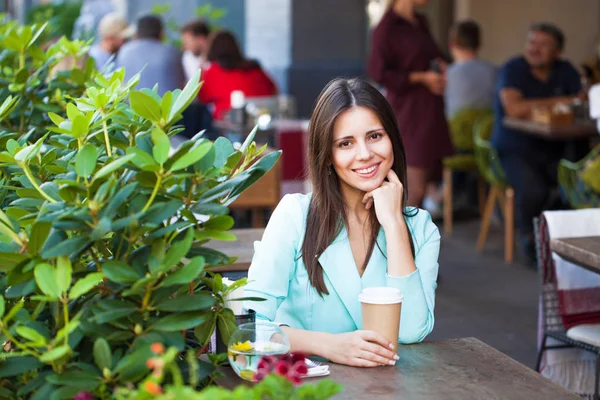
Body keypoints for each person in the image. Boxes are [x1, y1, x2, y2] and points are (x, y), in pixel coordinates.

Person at [244, 78, 440, 367]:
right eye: (346, 143)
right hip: (305, 387)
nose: (364, 154)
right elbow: (248, 327)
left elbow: (411, 332)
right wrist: (328, 345)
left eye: (375, 136)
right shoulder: (295, 216)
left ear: (393, 140)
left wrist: (395, 224)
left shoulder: (419, 227)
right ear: (327, 156)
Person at [492, 22, 587, 262]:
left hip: (556, 147)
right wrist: (562, 100)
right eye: (532, 42)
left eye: (544, 44)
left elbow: (582, 102)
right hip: (513, 148)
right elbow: (513, 108)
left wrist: (536, 104)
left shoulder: (565, 70)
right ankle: (530, 239)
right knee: (535, 189)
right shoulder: (513, 68)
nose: (535, 49)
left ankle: (563, 240)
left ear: (557, 51)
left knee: (578, 182)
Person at [368, 0, 453, 207]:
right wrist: (420, 78)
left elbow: (434, 55)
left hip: (430, 110)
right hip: (408, 112)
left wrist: (439, 68)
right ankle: (398, 237)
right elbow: (377, 72)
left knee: (422, 185)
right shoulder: (387, 27)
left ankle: (409, 237)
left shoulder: (420, 22)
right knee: (414, 189)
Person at [198, 30, 277, 120]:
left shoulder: (212, 71)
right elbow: (274, 90)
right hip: (262, 117)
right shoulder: (254, 68)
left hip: (227, 122)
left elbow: (203, 98)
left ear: (212, 48)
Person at [116, 15, 185, 95]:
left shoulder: (125, 51)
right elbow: (182, 85)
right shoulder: (172, 53)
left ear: (137, 33)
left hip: (130, 106)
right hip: (169, 106)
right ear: (161, 34)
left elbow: (119, 83)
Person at [445, 20, 497, 118]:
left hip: (454, 131)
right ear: (479, 44)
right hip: (485, 131)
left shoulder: (446, 75)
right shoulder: (494, 72)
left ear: (451, 44)